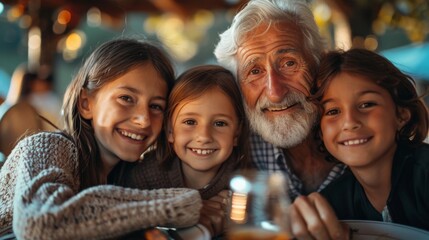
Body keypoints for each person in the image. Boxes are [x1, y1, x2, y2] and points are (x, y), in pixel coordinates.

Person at [0, 38, 202, 240]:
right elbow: (40, 225)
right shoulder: (48, 146)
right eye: (126, 98)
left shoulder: (131, 175)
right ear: (86, 104)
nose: (143, 119)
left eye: (156, 106)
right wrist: (181, 204)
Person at [214, 0, 349, 238]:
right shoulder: (229, 150)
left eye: (289, 63)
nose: (275, 92)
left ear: (319, 64)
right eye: (254, 71)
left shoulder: (360, 134)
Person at [121, 64, 252, 238]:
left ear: (237, 133)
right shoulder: (145, 178)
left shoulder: (245, 181)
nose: (204, 136)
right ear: (169, 130)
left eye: (220, 123)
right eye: (190, 122)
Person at [313, 48, 429, 231]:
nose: (349, 122)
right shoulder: (332, 205)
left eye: (367, 104)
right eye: (333, 111)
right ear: (320, 131)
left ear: (401, 115)